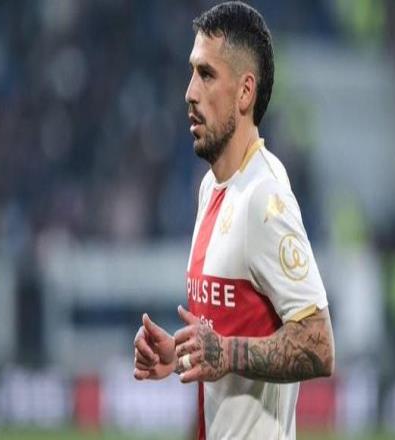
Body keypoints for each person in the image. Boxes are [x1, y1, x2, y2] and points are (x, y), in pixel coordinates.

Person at [133, 2, 335, 438]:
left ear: (245, 93)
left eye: (206, 75)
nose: (189, 92)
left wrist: (226, 353)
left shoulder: (264, 198)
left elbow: (320, 345)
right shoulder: (211, 188)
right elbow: (223, 345)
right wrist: (179, 356)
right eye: (192, 72)